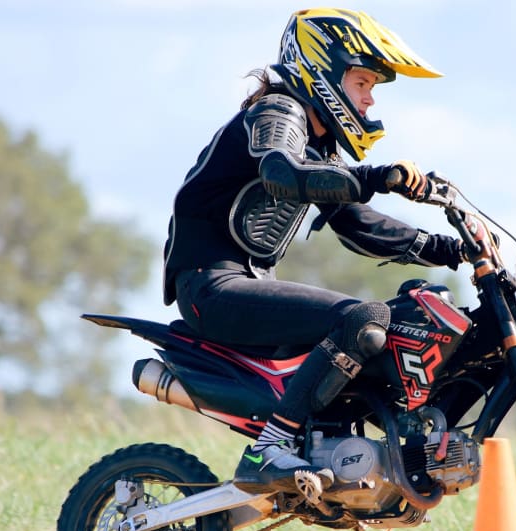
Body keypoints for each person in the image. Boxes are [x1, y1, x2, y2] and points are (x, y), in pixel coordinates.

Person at [162, 8, 466, 497]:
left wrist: (448, 249)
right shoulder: (277, 113)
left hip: (244, 286)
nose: (369, 98)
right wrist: (378, 176)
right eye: (362, 81)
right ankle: (269, 448)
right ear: (323, 69)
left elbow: (355, 224)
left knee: (398, 322)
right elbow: (282, 174)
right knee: (365, 317)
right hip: (211, 286)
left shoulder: (319, 149)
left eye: (373, 86)